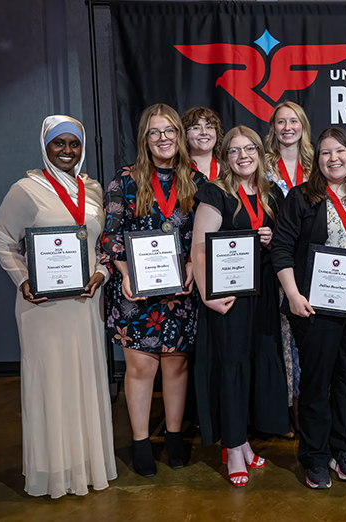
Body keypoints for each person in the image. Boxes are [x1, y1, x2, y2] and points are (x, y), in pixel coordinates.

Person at [0, 115, 117, 497]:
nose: (67, 151)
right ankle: (54, 473)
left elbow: (100, 246)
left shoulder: (91, 189)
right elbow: (2, 239)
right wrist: (24, 280)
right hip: (43, 307)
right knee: (50, 384)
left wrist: (101, 274)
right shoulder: (25, 190)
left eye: (73, 144)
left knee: (85, 382)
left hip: (84, 305)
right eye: (58, 144)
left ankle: (89, 466)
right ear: (44, 147)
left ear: (82, 149)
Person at [271, 127, 346, 489]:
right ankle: (315, 456)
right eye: (325, 153)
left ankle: (342, 450)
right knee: (317, 383)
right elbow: (282, 248)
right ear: (316, 159)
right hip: (314, 309)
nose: (333, 158)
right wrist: (292, 293)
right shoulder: (301, 197)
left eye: (340, 151)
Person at [101, 103, 205, 477]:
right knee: (141, 367)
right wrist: (125, 272)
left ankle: (174, 438)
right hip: (136, 290)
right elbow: (111, 234)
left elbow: (206, 235)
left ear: (179, 135)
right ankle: (142, 441)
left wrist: (194, 263)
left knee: (176, 365)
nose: (163, 139)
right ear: (145, 137)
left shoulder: (196, 180)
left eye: (170, 131)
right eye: (155, 132)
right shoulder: (124, 180)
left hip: (180, 289)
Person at [191, 125, 289, 486]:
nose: (243, 156)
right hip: (227, 296)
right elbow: (199, 248)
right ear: (225, 157)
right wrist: (207, 295)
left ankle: (244, 439)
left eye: (250, 149)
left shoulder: (271, 193)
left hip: (262, 293)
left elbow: (283, 242)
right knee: (232, 365)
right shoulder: (215, 193)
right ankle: (231, 447)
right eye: (235, 150)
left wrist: (271, 236)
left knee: (254, 362)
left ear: (261, 154)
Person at [264, 101, 314, 432]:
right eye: (280, 122)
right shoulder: (263, 165)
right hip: (274, 259)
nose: (287, 127)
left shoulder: (317, 163)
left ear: (302, 125)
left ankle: (307, 402)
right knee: (281, 338)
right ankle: (287, 407)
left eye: (293, 121)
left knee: (308, 337)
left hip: (311, 263)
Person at [182, 106, 224, 181]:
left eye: (209, 127)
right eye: (196, 128)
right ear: (185, 134)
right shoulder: (177, 172)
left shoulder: (228, 170)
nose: (204, 132)